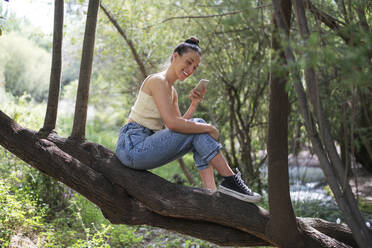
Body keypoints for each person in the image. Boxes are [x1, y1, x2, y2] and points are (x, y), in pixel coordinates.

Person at [115, 37, 261, 203]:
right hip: (132, 147)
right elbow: (173, 124)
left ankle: (211, 193)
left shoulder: (172, 92)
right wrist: (208, 128)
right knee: (198, 125)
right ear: (175, 56)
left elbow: (179, 127)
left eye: (195, 67)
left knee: (195, 130)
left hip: (145, 145)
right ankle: (231, 180)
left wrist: (194, 104)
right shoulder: (158, 81)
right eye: (189, 62)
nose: (191, 69)